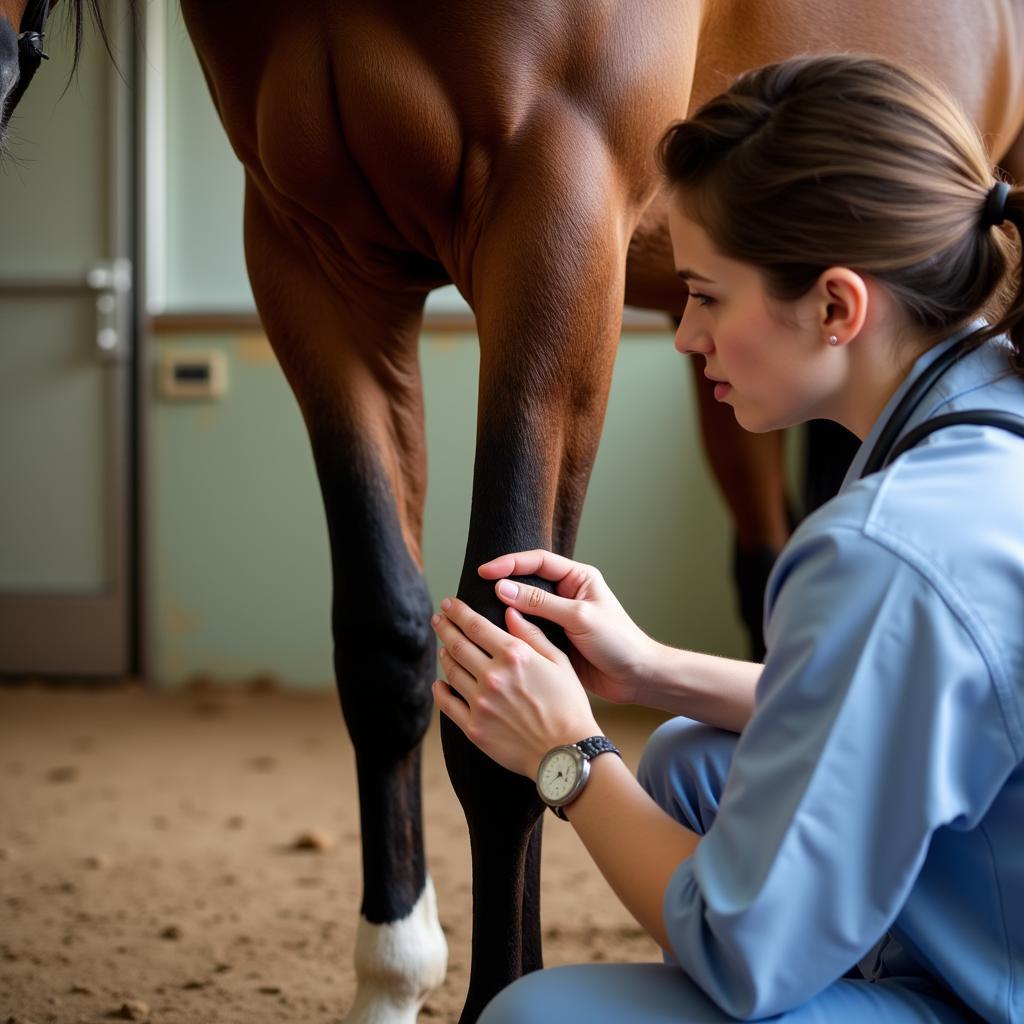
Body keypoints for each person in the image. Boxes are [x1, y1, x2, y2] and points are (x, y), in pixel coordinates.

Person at [430, 53, 1024, 1023]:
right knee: (690, 759)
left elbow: (746, 949)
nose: (684, 334)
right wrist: (653, 668)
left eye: (706, 294)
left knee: (529, 1018)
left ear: (836, 306)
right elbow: (925, 703)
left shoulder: (885, 546)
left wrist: (566, 752)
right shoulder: (994, 405)